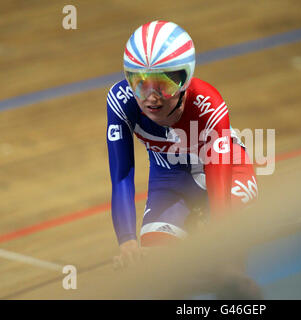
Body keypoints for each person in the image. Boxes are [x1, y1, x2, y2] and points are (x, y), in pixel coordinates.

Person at [106, 20, 260, 298]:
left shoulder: (208, 104)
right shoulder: (120, 101)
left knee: (228, 271)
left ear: (185, 79)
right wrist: (127, 242)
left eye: (163, 84)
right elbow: (121, 175)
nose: (151, 98)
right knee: (160, 279)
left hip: (227, 173)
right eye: (140, 84)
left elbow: (218, 179)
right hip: (169, 183)